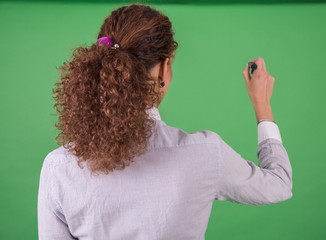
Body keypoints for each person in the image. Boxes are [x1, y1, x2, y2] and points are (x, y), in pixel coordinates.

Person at [37, 3, 292, 240]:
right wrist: (262, 104)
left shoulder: (57, 168)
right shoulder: (205, 154)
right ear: (163, 68)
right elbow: (279, 185)